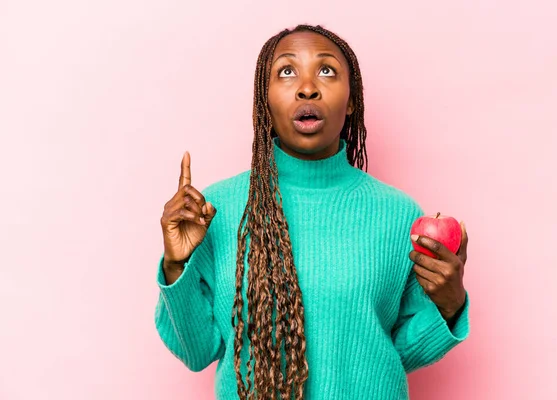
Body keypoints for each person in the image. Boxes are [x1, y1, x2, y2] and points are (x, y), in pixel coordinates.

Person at [154, 24, 470, 400]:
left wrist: (450, 303)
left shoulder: (398, 214)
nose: (307, 87)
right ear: (265, 99)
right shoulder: (215, 210)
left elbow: (399, 351)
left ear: (351, 100)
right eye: (286, 72)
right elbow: (197, 351)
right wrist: (176, 266)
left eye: (326, 71)